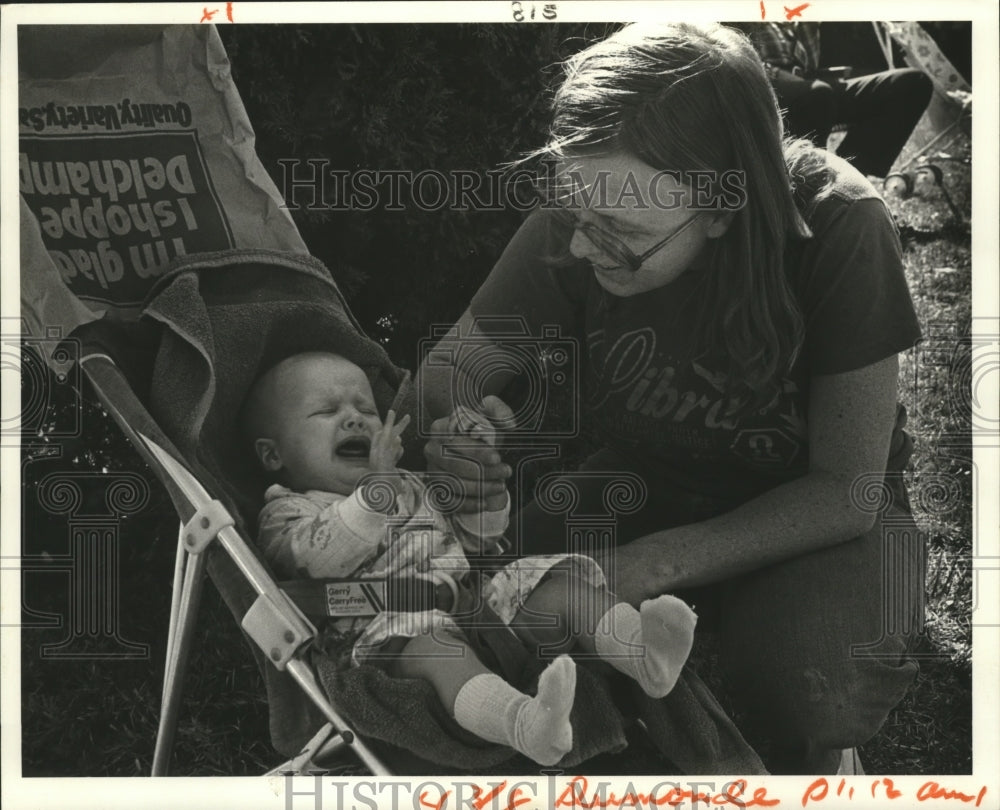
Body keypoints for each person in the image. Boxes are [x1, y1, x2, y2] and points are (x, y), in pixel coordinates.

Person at [418, 22, 925, 774]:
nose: (585, 246)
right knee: (486, 609)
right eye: (577, 210)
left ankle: (818, 751)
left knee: (819, 688)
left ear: (725, 208)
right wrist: (460, 431)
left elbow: (847, 490)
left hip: (811, 510)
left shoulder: (842, 225)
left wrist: (657, 562)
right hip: (647, 477)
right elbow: (445, 376)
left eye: (621, 232)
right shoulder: (587, 217)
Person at [242, 351, 697, 766]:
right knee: (442, 652)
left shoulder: (411, 483)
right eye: (327, 412)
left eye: (365, 410)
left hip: (475, 604)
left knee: (556, 583)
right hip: (391, 633)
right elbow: (312, 563)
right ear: (272, 454)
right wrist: (377, 490)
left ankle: (643, 653)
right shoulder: (289, 510)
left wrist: (483, 484)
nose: (355, 421)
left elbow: (476, 541)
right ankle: (525, 723)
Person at [738, 22, 933, 178]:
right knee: (817, 95)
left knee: (912, 84)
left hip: (812, 85)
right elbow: (730, 54)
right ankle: (805, 189)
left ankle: (845, 181)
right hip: (761, 86)